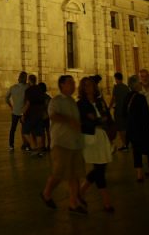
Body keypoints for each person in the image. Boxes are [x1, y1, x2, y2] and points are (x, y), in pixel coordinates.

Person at [41, 75, 86, 214]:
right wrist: (69, 120)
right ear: (62, 85)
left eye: (73, 83)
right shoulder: (56, 100)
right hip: (61, 143)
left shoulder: (73, 101)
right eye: (70, 83)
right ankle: (46, 193)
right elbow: (53, 115)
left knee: (74, 175)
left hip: (75, 143)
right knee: (59, 173)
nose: (73, 85)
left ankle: (73, 203)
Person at [77, 76, 115, 213]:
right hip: (91, 137)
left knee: (101, 167)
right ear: (82, 88)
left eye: (90, 85)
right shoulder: (81, 103)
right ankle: (106, 202)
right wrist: (98, 120)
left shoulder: (100, 101)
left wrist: (108, 127)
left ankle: (80, 192)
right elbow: (83, 122)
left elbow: (108, 117)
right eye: (86, 85)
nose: (89, 88)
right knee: (99, 169)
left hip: (103, 136)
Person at [125, 75, 149, 182]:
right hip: (142, 129)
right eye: (139, 83)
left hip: (132, 129)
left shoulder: (127, 97)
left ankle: (139, 175)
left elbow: (123, 113)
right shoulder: (141, 97)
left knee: (137, 151)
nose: (141, 85)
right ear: (135, 85)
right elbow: (146, 114)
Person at [20, 74, 46, 153]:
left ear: (29, 80)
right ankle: (39, 149)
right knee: (38, 132)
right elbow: (43, 101)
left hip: (31, 114)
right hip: (40, 113)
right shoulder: (40, 89)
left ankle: (33, 146)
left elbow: (28, 103)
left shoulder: (28, 90)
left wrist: (22, 114)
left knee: (25, 130)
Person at [5, 71, 28, 151]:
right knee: (25, 129)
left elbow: (6, 98)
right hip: (24, 112)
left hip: (15, 111)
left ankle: (11, 146)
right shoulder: (27, 87)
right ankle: (26, 144)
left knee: (13, 129)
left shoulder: (13, 87)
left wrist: (11, 106)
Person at [110, 72, 130, 151]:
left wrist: (109, 107)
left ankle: (125, 145)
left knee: (121, 128)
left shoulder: (116, 87)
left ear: (116, 78)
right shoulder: (126, 87)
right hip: (126, 111)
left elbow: (113, 98)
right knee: (125, 128)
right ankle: (127, 143)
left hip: (119, 110)